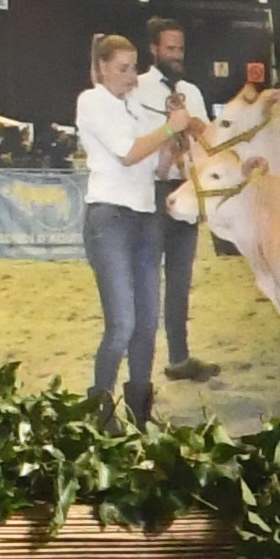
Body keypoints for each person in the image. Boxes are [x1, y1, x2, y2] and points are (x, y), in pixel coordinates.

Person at [70, 30, 181, 419]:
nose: (131, 76)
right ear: (102, 68)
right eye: (122, 68)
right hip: (110, 219)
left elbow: (156, 168)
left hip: (145, 216)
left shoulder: (135, 108)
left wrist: (172, 145)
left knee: (147, 323)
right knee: (122, 323)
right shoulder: (92, 102)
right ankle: (99, 409)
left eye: (134, 67)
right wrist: (168, 129)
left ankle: (139, 408)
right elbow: (128, 154)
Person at [141, 18, 214, 382]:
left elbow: (205, 139)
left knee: (181, 279)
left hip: (184, 190)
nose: (175, 55)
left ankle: (179, 357)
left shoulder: (193, 93)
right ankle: (142, 362)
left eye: (180, 49)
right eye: (169, 48)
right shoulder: (138, 90)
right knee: (148, 278)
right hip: (151, 193)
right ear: (153, 49)